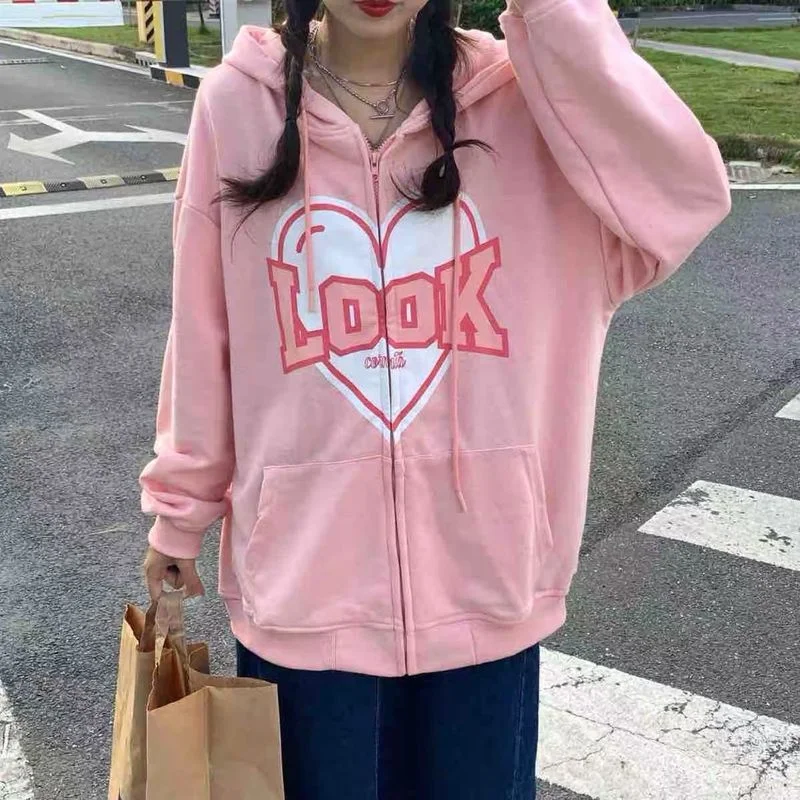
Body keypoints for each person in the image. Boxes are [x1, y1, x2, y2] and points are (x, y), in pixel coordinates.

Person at [139, 0, 731, 794]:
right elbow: (203, 330)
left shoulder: (526, 104)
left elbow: (684, 196)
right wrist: (179, 512)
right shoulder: (238, 105)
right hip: (304, 598)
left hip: (488, 588)